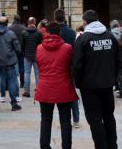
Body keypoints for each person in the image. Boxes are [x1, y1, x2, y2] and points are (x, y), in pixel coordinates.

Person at [72, 9, 119, 149]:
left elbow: (77, 64)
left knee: (95, 119)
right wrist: (113, 78)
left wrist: (78, 82)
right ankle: (112, 145)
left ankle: (101, 146)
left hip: (89, 86)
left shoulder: (83, 39)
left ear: (85, 22)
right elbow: (117, 61)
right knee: (109, 116)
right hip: (107, 84)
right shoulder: (110, 37)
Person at [36, 21, 78, 149]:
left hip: (45, 87)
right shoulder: (67, 48)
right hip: (63, 87)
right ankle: (66, 146)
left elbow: (39, 65)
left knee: (45, 120)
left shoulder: (39, 48)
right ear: (59, 33)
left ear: (47, 32)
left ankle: (44, 146)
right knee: (65, 121)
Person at [0, 16, 22, 112]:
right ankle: (14, 104)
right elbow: (18, 48)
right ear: (7, 23)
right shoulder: (11, 34)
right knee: (12, 81)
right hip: (9, 60)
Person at [54, 8, 81, 128]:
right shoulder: (71, 32)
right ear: (65, 18)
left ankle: (64, 121)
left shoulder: (53, 32)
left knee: (60, 95)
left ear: (55, 18)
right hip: (69, 66)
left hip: (56, 66)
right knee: (72, 92)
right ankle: (76, 120)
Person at [21, 17, 42, 98]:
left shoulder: (24, 32)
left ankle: (26, 91)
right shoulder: (38, 32)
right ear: (35, 22)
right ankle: (39, 90)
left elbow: (22, 45)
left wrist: (24, 53)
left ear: (28, 23)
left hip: (27, 55)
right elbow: (41, 44)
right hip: (37, 55)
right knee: (37, 73)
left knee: (27, 73)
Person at [9, 14, 27, 91]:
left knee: (13, 67)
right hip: (21, 50)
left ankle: (13, 82)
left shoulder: (10, 28)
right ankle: (22, 83)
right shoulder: (24, 28)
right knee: (22, 67)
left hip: (12, 50)